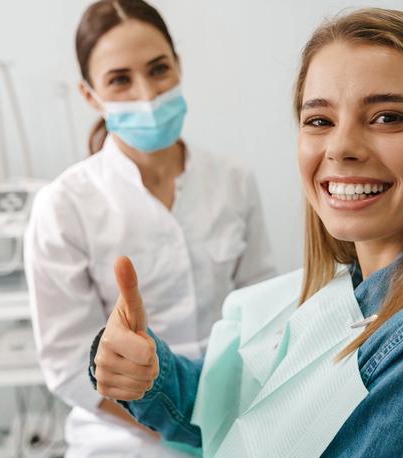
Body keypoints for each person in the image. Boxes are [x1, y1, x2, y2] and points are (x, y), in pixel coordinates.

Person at [90, 8, 403, 457]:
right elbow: (236, 403)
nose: (342, 147)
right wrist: (146, 373)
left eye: (387, 117)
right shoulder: (351, 289)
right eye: (320, 121)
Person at [24, 0, 275, 456]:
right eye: (120, 80)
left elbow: (263, 310)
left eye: (159, 70)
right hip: (123, 439)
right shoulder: (63, 206)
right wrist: (180, 427)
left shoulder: (233, 181)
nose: (146, 94)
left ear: (178, 66)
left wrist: (233, 422)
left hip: (238, 421)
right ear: (89, 95)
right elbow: (65, 365)